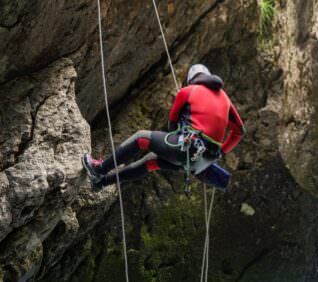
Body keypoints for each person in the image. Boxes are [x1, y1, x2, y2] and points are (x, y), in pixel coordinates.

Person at [82, 64, 244, 191]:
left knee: (142, 138)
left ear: (191, 79)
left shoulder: (188, 91)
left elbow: (172, 124)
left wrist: (183, 125)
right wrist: (221, 151)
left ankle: (99, 169)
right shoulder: (226, 99)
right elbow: (239, 132)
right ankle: (102, 183)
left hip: (187, 148)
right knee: (152, 161)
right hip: (203, 163)